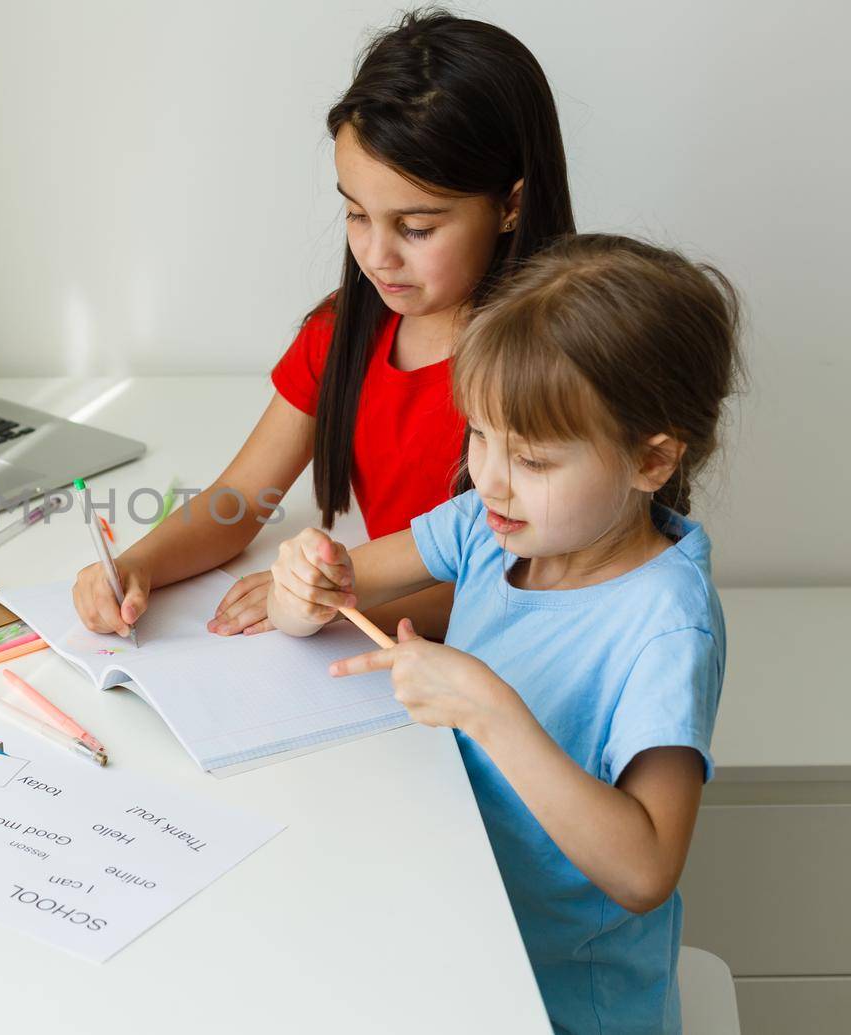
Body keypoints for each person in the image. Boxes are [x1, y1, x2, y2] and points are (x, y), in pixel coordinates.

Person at [270, 235, 742, 1033]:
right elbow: (324, 596)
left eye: (531, 457)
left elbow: (644, 869)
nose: (486, 476)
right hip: (455, 929)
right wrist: (302, 580)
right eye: (478, 434)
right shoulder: (492, 526)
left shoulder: (664, 624)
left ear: (651, 461)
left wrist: (488, 707)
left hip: (562, 1000)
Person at [72, 9, 574, 642]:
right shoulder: (343, 332)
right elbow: (240, 500)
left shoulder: (556, 367)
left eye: (417, 228)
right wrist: (136, 565)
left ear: (510, 205)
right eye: (357, 214)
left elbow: (528, 578)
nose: (377, 256)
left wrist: (331, 603)